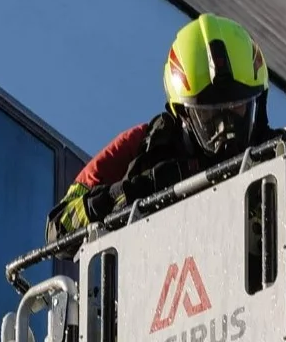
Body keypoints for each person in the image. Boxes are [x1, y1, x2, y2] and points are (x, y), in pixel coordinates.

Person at [48, 13, 272, 241]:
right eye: (208, 113)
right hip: (159, 271)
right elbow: (58, 227)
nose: (225, 126)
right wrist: (132, 193)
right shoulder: (141, 145)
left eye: (238, 107)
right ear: (183, 113)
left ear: (258, 103)